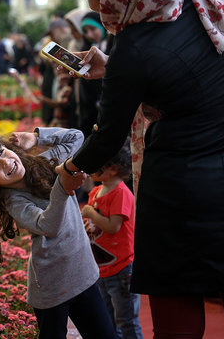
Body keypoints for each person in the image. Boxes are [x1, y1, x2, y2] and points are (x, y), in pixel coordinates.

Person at [60, 0, 224, 337]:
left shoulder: (134, 48)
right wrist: (115, 69)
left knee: (177, 324)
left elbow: (108, 139)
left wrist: (67, 170)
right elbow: (195, 75)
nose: (92, 6)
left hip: (183, 203)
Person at [0, 127, 117, 339]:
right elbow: (48, 225)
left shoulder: (44, 163)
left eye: (1, 151)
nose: (5, 162)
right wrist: (63, 184)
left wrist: (37, 137)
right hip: (52, 289)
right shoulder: (15, 201)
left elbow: (77, 138)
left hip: (82, 274)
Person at [81, 139, 142, 339]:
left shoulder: (121, 193)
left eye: (97, 165)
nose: (90, 169)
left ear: (113, 169)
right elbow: (94, 227)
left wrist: (91, 213)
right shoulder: (96, 191)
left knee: (126, 320)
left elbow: (113, 227)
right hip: (101, 267)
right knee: (107, 318)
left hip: (122, 267)